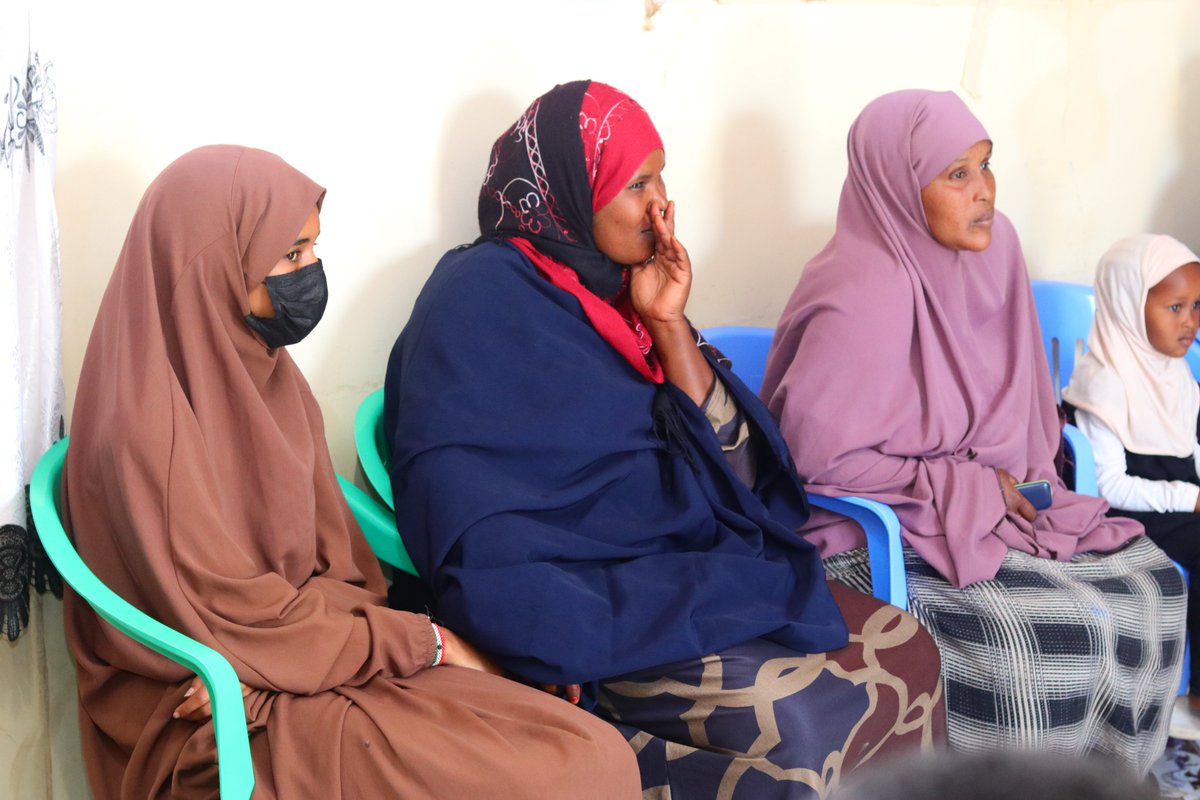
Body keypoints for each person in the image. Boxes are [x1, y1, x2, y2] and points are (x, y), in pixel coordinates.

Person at [384, 80, 945, 799]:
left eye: (662, 176)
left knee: (911, 653)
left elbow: (736, 476)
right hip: (580, 604)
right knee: (806, 718)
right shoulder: (479, 300)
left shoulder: (619, 297)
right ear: (569, 191)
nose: (661, 206)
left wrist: (670, 326)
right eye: (636, 182)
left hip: (680, 569)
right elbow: (470, 504)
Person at [63, 145, 640, 799]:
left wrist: (290, 656)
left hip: (308, 669)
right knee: (567, 774)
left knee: (593, 751)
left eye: (312, 249)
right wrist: (428, 645)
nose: (310, 274)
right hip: (219, 724)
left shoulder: (265, 378)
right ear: (209, 267)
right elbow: (223, 629)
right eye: (290, 256)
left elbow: (326, 580)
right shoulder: (145, 436)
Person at [760, 89, 1185, 773]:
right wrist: (971, 486)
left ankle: (1109, 786)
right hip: (879, 533)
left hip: (996, 510)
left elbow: (1026, 430)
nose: (984, 191)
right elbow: (818, 465)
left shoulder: (995, 253)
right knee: (1042, 636)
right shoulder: (859, 289)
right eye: (956, 174)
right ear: (898, 185)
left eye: (986, 167)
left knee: (1152, 585)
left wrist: (1018, 491)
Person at [1063, 233, 1200, 708]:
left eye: (1195, 306)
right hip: (1127, 512)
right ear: (1128, 306)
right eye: (1175, 308)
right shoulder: (1105, 382)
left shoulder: (1174, 372)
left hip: (1178, 496)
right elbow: (1109, 485)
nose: (1190, 322)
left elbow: (1188, 446)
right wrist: (1190, 497)